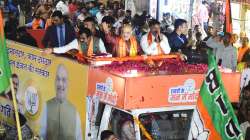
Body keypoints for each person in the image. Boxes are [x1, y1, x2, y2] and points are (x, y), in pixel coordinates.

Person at [40, 64, 82, 140]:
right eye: (58, 79)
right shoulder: (46, 106)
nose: (60, 84)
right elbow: (41, 136)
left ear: (68, 83)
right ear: (54, 82)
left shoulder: (74, 112)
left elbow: (79, 137)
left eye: (63, 80)